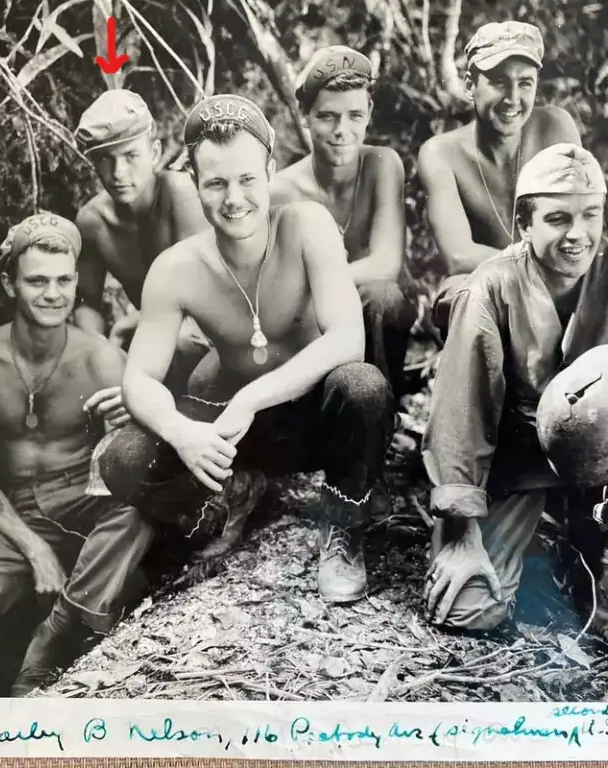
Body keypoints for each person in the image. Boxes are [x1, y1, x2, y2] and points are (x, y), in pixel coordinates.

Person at [89, 95, 397, 605]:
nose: (234, 198)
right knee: (122, 459)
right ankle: (220, 504)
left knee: (364, 387)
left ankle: (344, 525)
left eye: (247, 180)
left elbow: (348, 338)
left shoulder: (306, 224)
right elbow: (139, 379)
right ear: (193, 181)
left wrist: (251, 398)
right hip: (237, 439)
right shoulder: (176, 268)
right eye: (216, 183)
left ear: (270, 170)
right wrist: (180, 431)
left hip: (312, 418)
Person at [421, 144, 608, 664]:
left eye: (590, 215)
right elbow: (461, 414)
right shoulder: (493, 288)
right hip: (515, 460)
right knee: (470, 611)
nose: (578, 234)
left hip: (600, 458)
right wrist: (461, 531)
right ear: (525, 222)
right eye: (557, 218)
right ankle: (548, 542)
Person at [0, 213, 155, 698]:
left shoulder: (101, 358)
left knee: (139, 510)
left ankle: (59, 634)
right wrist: (36, 551)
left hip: (91, 504)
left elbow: (142, 457)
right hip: (18, 513)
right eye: (37, 281)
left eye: (64, 280)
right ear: (10, 284)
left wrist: (132, 419)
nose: (53, 294)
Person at [263, 45, 415, 399]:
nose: (341, 130)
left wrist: (318, 278)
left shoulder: (383, 164)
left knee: (385, 298)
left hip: (369, 313)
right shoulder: (281, 191)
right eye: (327, 116)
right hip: (312, 325)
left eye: (354, 115)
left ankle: (387, 417)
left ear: (369, 113)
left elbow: (386, 265)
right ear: (305, 115)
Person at [416, 20, 582, 339]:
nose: (512, 98)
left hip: (559, 279)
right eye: (498, 82)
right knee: (457, 296)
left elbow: (583, 224)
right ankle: (482, 386)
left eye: (525, 83)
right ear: (469, 85)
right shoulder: (440, 153)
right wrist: (539, 266)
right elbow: (458, 256)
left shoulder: (556, 128)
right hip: (489, 282)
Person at [72, 89, 212, 390]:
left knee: (182, 341)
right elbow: (86, 303)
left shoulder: (181, 195)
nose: (118, 173)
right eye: (105, 160)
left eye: (130, 156)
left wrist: (125, 325)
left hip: (207, 325)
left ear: (155, 153)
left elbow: (197, 294)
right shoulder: (92, 223)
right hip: (152, 331)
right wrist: (98, 344)